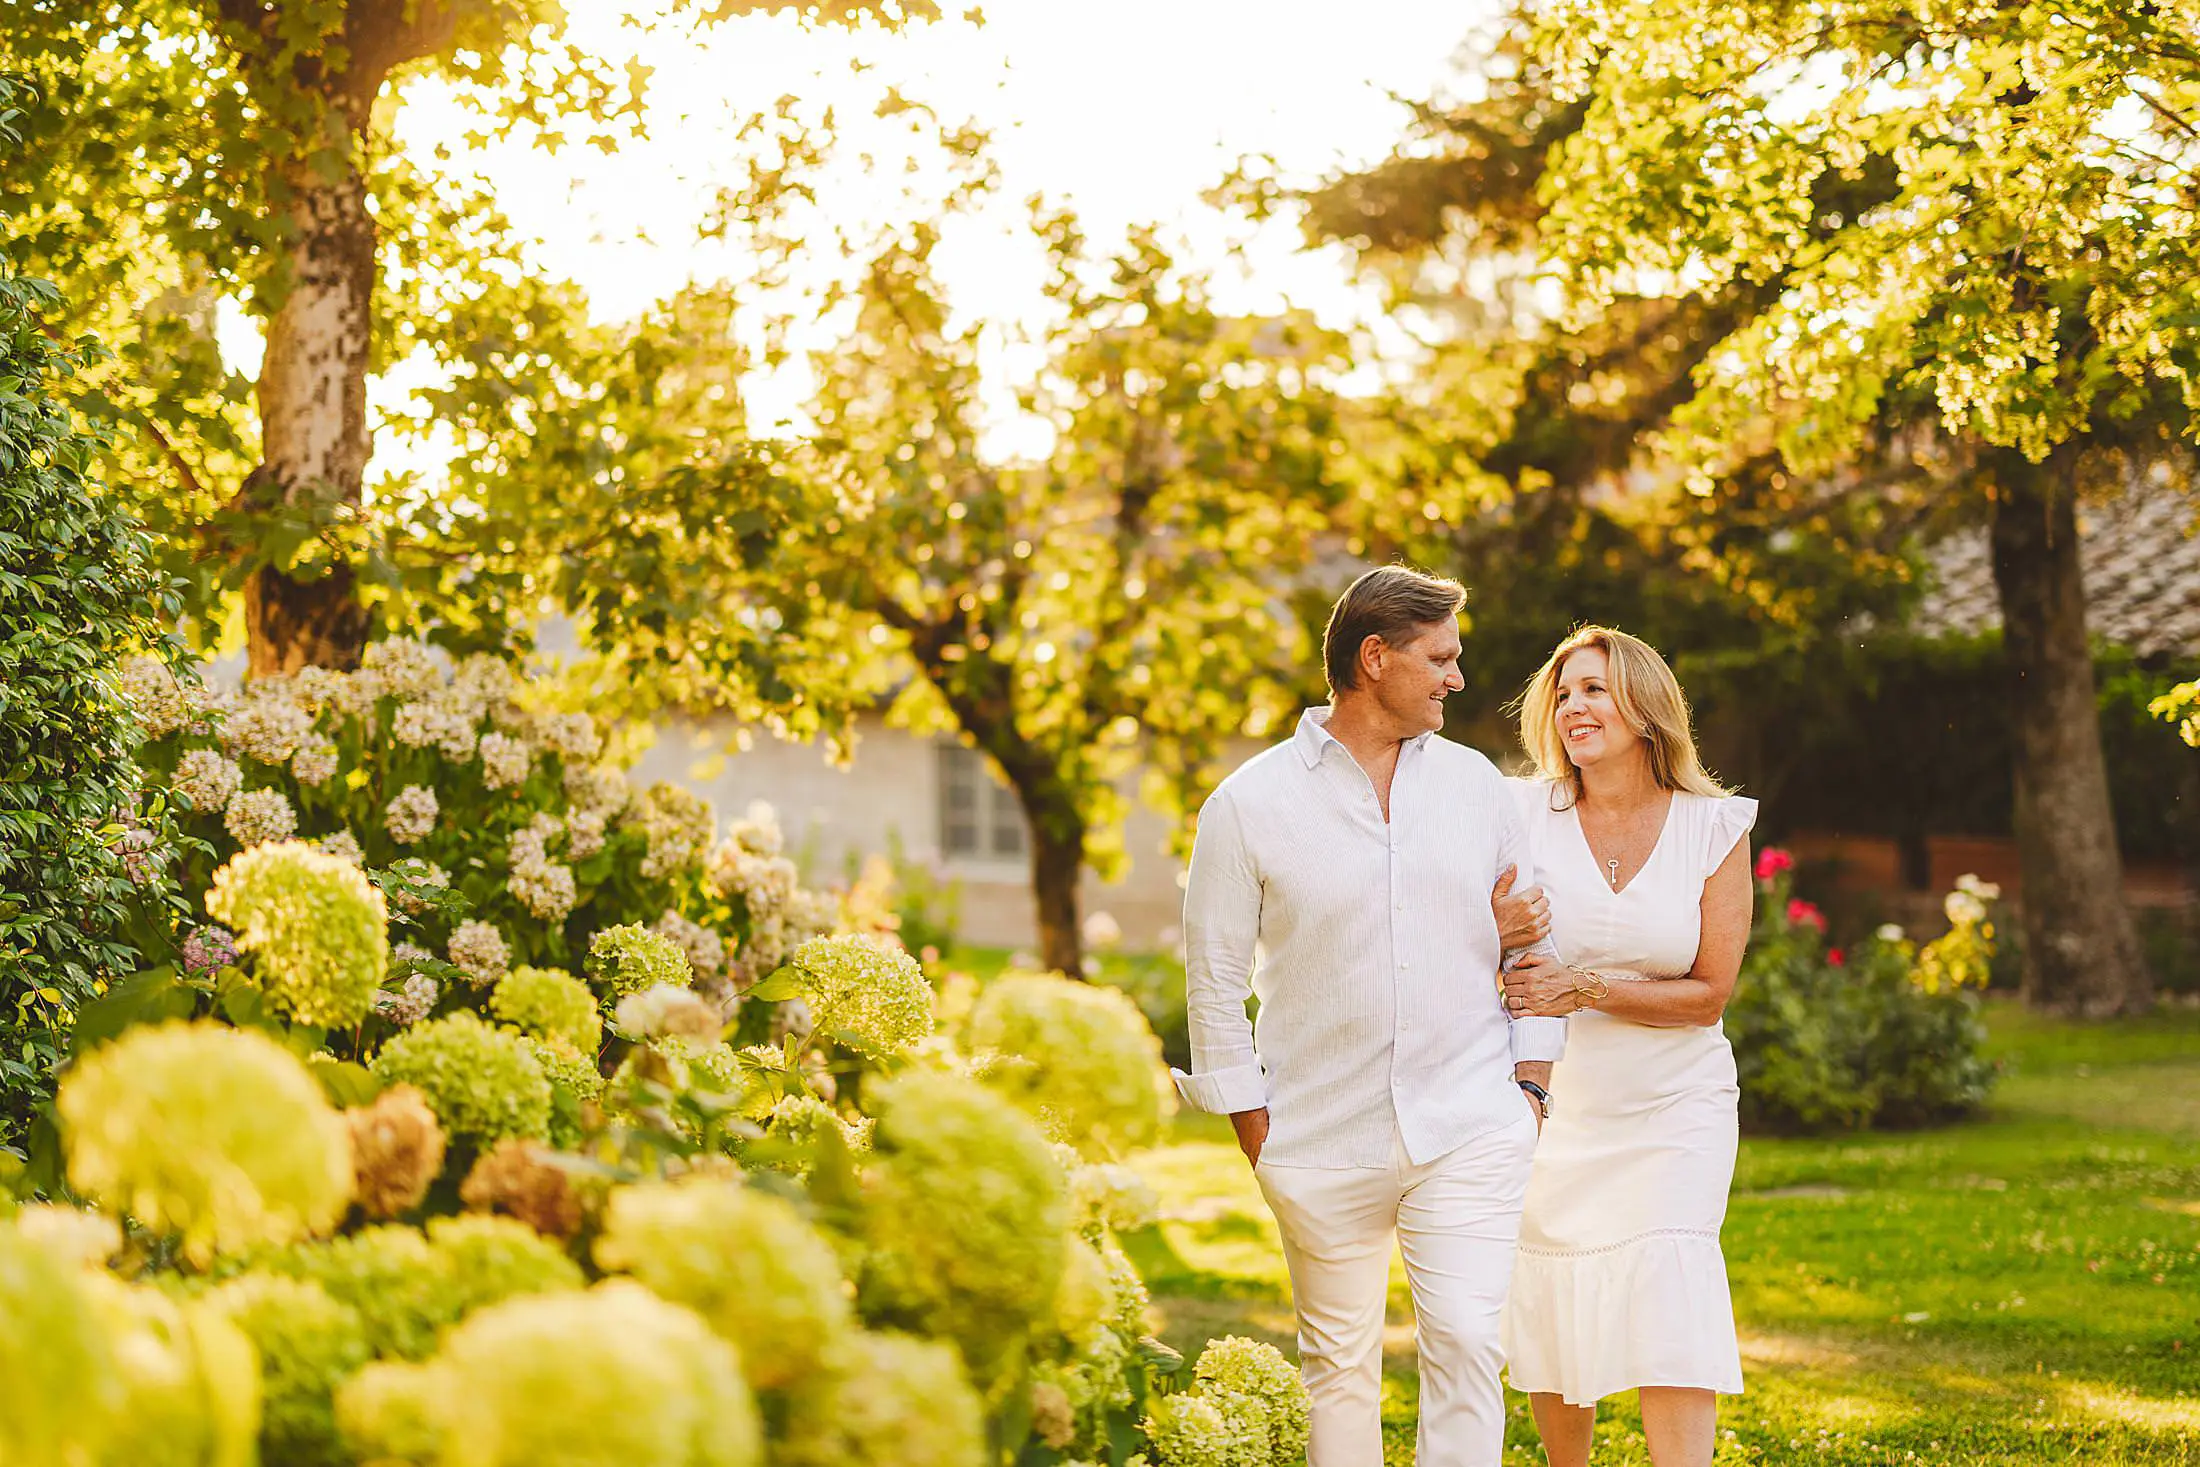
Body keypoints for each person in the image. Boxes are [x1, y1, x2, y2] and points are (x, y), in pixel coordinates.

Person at [1172, 565, 1566, 1467]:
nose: (1458, 679)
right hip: (1314, 1135)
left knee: (1469, 1339)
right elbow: (1214, 977)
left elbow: (1531, 948)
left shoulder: (1478, 791)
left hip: (1469, 1121)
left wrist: (1531, 1088)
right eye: (1442, 658)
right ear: (1374, 657)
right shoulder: (1248, 804)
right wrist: (1254, 1126)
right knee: (1338, 1365)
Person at [1493, 625, 1755, 1467]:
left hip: (1676, 1099)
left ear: (1645, 706)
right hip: (1553, 1095)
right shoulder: (1519, 813)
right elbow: (1479, 942)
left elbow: (1709, 992)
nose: (1575, 706)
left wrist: (1587, 987)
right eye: (1563, 692)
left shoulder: (1712, 827)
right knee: (1554, 1282)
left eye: (1595, 689)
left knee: (1671, 1279)